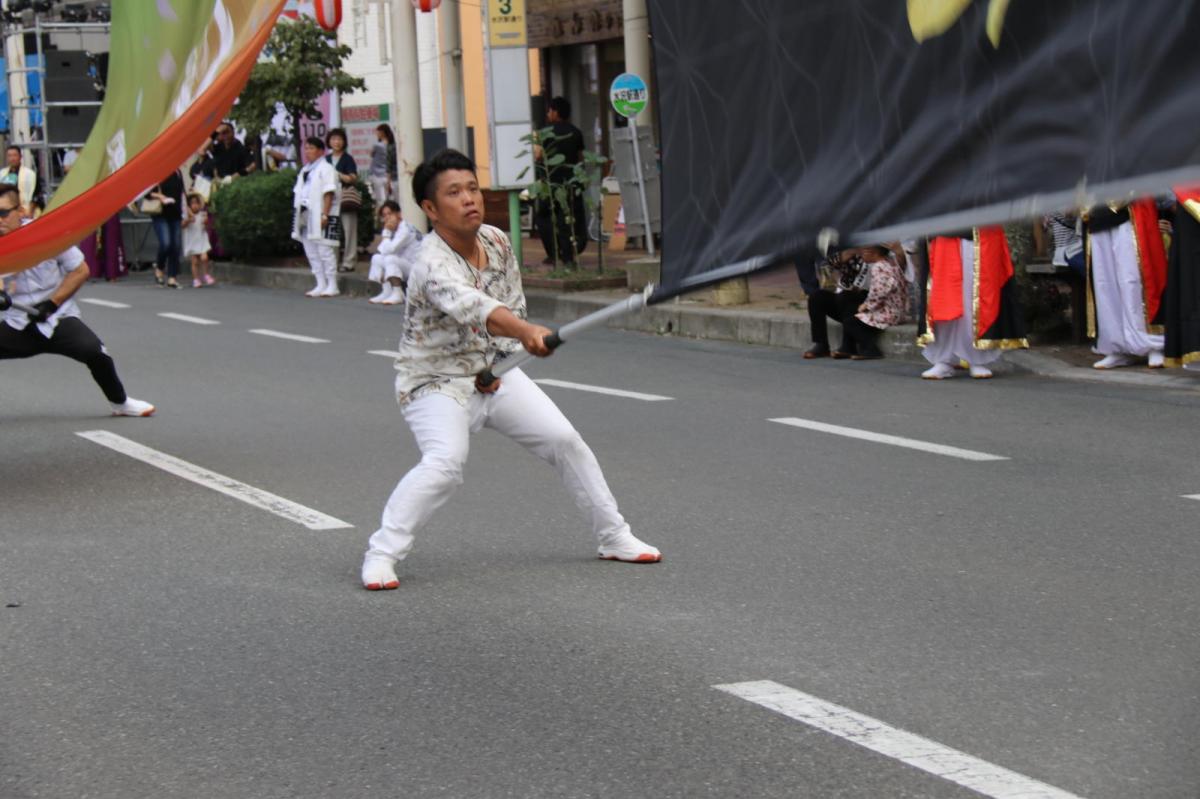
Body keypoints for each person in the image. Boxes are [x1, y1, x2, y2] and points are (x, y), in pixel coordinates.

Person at [360, 149, 660, 591]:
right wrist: (525, 333)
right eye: (454, 193)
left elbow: (511, 303)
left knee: (565, 441)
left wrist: (510, 353)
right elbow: (476, 306)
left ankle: (613, 536)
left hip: (495, 372)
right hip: (435, 382)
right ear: (430, 208)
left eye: (473, 188)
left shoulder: (497, 241)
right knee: (445, 463)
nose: (469, 199)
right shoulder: (430, 261)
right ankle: (382, 554)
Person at [0, 184, 154, 417]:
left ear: (20, 210)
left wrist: (52, 304)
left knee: (96, 352)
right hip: (15, 320)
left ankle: (120, 402)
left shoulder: (46, 233)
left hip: (56, 317)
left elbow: (80, 270)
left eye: (3, 213)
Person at [919, 227, 1028, 380]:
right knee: (945, 298)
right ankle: (944, 360)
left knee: (976, 295)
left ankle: (976, 358)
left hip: (981, 233)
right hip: (946, 232)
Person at [1085, 200, 1167, 369]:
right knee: (1105, 284)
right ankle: (1117, 347)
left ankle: (1154, 345)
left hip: (1130, 212)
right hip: (1098, 214)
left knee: (1133, 280)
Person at [533, 96, 588, 266]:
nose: (548, 114)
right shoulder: (576, 132)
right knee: (570, 218)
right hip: (571, 183)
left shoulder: (544, 132)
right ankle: (571, 255)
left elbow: (538, 156)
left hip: (550, 183)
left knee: (544, 217)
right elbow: (580, 159)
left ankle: (554, 252)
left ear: (555, 112)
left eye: (550, 111)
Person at [291, 136, 340, 298]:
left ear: (321, 151)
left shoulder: (326, 168)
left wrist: (325, 214)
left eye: (311, 148)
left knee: (325, 249)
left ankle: (332, 284)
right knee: (311, 250)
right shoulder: (305, 169)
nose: (308, 151)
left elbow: (329, 192)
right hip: (305, 213)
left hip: (321, 213)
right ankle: (320, 283)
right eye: (306, 148)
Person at [368, 200, 421, 306]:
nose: (387, 218)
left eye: (390, 214)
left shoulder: (405, 229)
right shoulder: (394, 230)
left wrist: (386, 231)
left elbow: (391, 249)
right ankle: (387, 291)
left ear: (398, 214)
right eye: (384, 215)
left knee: (390, 259)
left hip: (417, 270)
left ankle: (398, 293)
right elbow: (382, 251)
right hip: (405, 265)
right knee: (377, 258)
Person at [325, 128, 360, 273]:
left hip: (345, 197)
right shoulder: (326, 159)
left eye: (339, 139)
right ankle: (332, 261)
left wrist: (337, 174)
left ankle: (349, 262)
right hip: (329, 199)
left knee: (349, 230)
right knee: (331, 231)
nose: (336, 142)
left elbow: (353, 178)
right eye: (333, 139)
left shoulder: (347, 158)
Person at [148, 168, 184, 289]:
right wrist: (160, 196)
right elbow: (147, 193)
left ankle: (172, 277)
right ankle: (159, 267)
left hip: (176, 214)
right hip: (160, 214)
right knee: (166, 243)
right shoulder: (158, 170)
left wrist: (187, 212)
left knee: (176, 245)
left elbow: (182, 194)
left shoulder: (178, 172)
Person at [183, 193, 214, 288]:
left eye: (197, 203)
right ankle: (196, 279)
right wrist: (188, 220)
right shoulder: (187, 216)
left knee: (204, 258)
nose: (195, 205)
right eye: (192, 203)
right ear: (188, 206)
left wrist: (205, 221)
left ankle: (205, 274)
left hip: (201, 240)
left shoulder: (202, 214)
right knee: (195, 262)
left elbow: (207, 224)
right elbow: (183, 225)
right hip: (192, 241)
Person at [0, 146, 38, 217]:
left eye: (15, 155)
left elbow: (36, 195)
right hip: (5, 211)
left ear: (20, 157)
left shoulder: (30, 174)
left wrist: (30, 211)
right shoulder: (2, 174)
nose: (12, 158)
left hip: (25, 210)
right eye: (9, 156)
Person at [368, 124, 397, 206]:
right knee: (391, 198)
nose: (376, 134)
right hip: (390, 175)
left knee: (381, 200)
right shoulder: (393, 145)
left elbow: (370, 154)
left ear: (382, 133)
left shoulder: (377, 145)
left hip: (377, 175)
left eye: (378, 132)